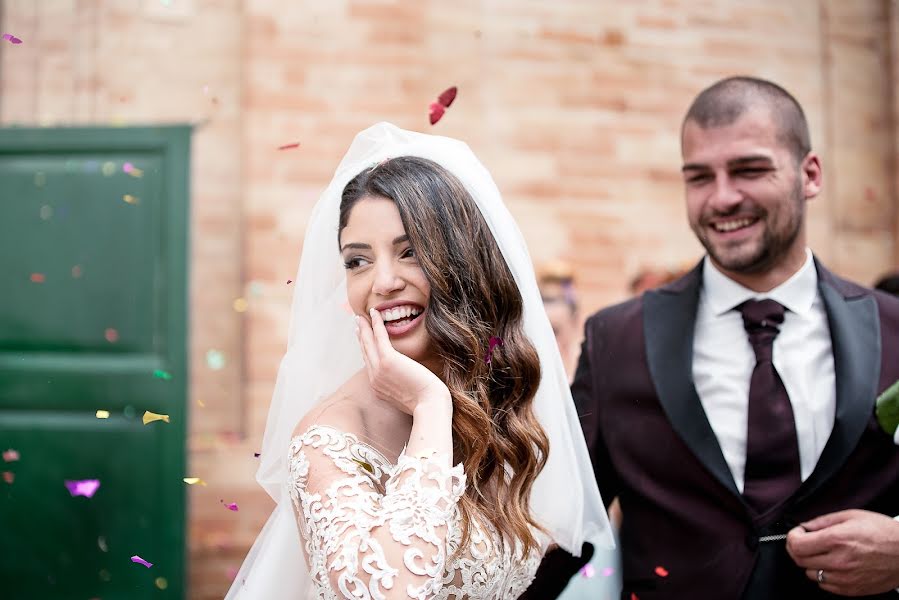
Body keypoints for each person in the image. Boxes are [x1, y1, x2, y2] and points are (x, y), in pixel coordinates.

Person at [521, 76, 899, 599]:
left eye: (749, 170)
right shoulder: (618, 340)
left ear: (809, 175)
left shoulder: (893, 329)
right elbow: (563, 530)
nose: (722, 198)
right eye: (699, 177)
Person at [225, 123, 613, 600]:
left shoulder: (493, 402)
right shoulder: (328, 438)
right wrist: (430, 406)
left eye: (410, 252)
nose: (383, 282)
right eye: (357, 261)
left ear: (464, 263)